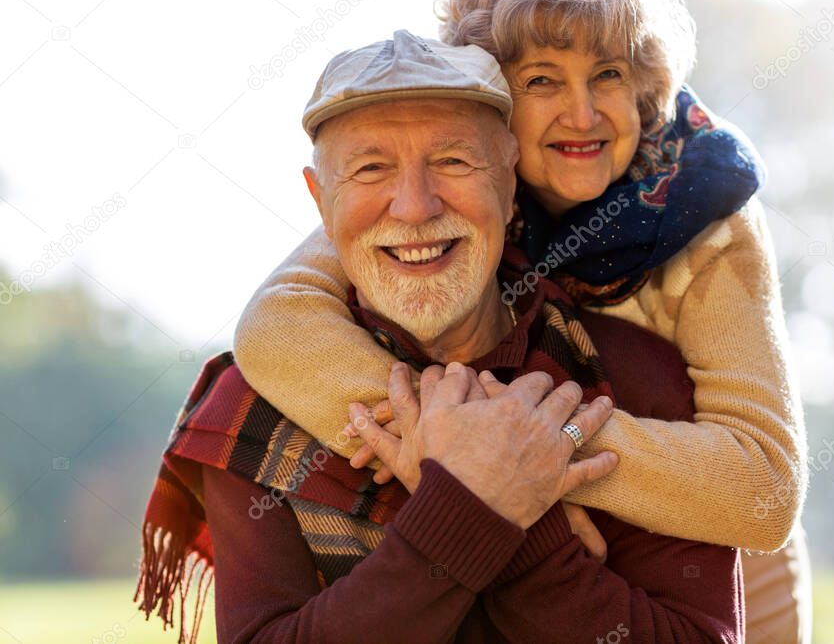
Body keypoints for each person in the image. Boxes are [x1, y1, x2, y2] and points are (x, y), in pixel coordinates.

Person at [234, 0, 810, 641]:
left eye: (608, 76)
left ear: (645, 90)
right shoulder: (445, 182)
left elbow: (762, 491)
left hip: (715, 546)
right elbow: (276, 328)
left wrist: (520, 455)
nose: (583, 113)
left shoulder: (707, 208)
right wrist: (478, 471)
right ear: (491, 100)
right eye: (541, 80)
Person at [136, 32, 745, 643]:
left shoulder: (637, 375)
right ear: (322, 203)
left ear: (511, 187)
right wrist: (484, 507)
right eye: (371, 168)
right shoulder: (260, 401)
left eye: (453, 161)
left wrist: (488, 505)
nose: (414, 207)